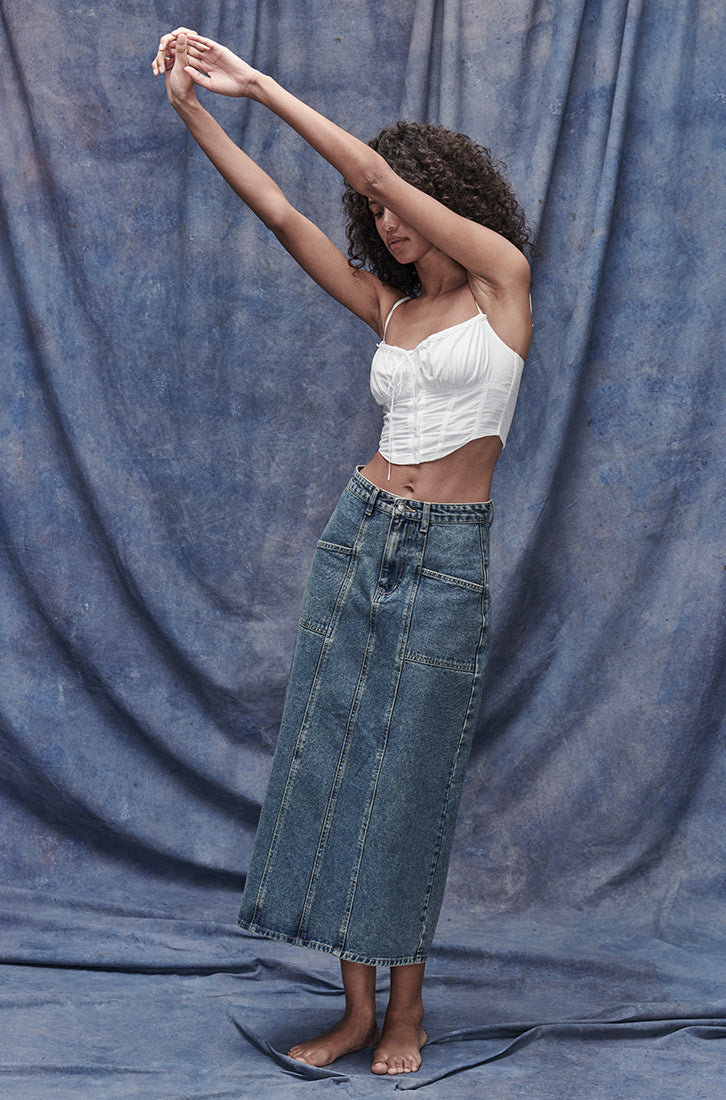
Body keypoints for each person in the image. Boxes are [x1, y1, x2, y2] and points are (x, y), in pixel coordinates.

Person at [153, 28, 533, 1077]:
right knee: (331, 769)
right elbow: (282, 214)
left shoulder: (504, 283)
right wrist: (195, 113)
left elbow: (368, 169)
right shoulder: (391, 306)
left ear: (446, 197)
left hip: (445, 557)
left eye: (402, 201)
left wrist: (260, 85)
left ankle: (409, 1012)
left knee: (407, 785)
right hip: (357, 537)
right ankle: (356, 1009)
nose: (385, 219)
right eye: (376, 214)